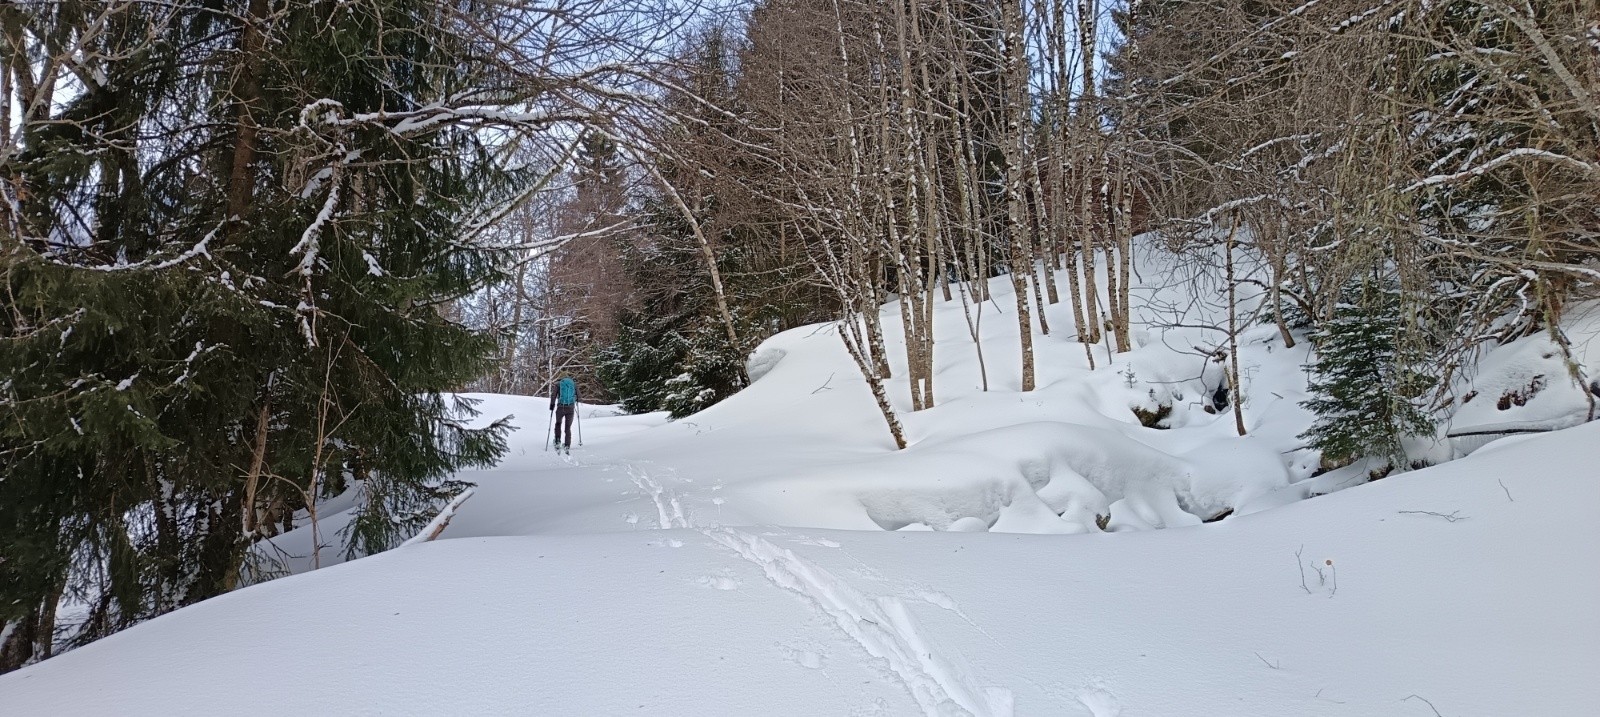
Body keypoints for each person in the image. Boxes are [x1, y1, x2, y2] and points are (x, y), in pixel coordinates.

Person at [549, 376, 578, 451]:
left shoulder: (558, 384)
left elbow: (553, 396)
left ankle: (557, 441)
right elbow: (579, 396)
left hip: (560, 408)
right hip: (570, 408)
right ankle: (567, 445)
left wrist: (552, 405)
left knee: (558, 423)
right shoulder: (573, 384)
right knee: (568, 427)